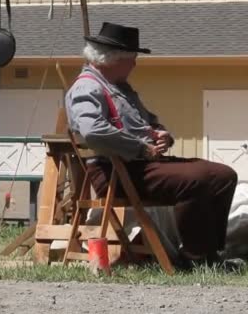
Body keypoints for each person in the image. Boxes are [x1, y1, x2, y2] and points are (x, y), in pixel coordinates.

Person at [65, 22, 238, 266]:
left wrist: (159, 132)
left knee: (223, 176)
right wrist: (140, 147)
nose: (134, 64)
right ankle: (196, 258)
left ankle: (211, 253)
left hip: (139, 167)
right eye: (132, 58)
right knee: (197, 179)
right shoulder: (87, 87)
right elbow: (92, 131)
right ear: (113, 59)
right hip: (117, 172)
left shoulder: (120, 88)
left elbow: (146, 120)